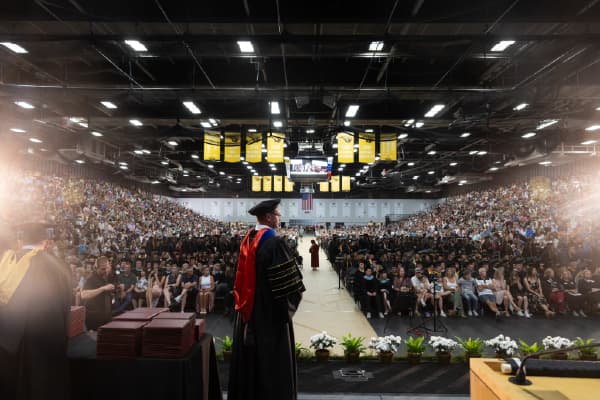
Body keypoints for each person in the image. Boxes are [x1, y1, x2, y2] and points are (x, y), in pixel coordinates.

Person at [228, 199, 305, 400]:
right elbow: (289, 288)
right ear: (269, 217)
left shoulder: (248, 238)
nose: (280, 217)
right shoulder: (275, 243)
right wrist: (286, 311)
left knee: (250, 363)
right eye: (278, 214)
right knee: (271, 366)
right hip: (269, 317)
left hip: (247, 313)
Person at [0, 222, 72, 400]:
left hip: (18, 345)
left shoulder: (9, 261)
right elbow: (66, 305)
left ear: (21, 239)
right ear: (46, 240)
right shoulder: (61, 265)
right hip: (52, 340)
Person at [81, 255, 115, 330]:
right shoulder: (91, 278)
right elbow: (84, 294)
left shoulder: (107, 276)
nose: (105, 271)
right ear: (97, 267)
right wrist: (102, 288)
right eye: (103, 269)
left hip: (107, 316)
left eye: (107, 268)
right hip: (94, 318)